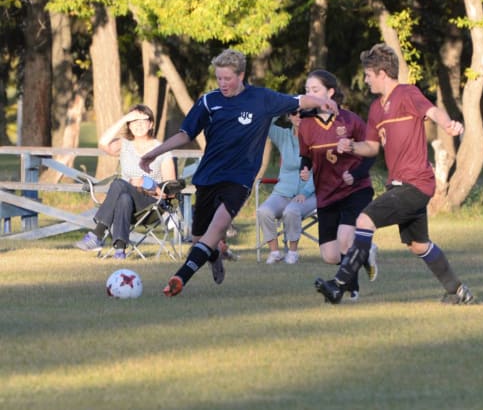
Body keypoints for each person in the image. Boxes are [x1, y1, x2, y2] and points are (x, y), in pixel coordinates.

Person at [139, 48, 339, 297]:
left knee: (219, 225)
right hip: (208, 176)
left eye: (228, 78)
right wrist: (155, 152)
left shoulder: (262, 99)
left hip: (239, 178)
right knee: (200, 238)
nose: (222, 83)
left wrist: (322, 102)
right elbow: (185, 134)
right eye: (219, 78)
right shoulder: (209, 101)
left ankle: (180, 278)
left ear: (241, 76)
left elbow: (300, 101)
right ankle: (213, 255)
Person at [315, 43, 474, 305]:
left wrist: (448, 124)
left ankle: (339, 285)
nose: (365, 79)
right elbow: (373, 147)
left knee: (364, 221)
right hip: (398, 186)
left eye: (368, 74)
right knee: (418, 245)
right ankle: (457, 290)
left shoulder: (407, 93)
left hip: (415, 184)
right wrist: (352, 146)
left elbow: (432, 111)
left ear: (382, 73)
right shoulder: (377, 108)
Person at [299, 69, 378, 301]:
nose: (310, 95)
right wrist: (305, 167)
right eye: (307, 91)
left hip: (355, 189)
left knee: (345, 239)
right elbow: (306, 155)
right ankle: (365, 253)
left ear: (330, 92)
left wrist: (355, 173)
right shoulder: (305, 125)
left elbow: (372, 152)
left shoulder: (350, 120)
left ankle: (351, 291)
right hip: (326, 193)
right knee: (330, 255)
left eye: (315, 90)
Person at [75, 104, 176, 259]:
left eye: (143, 121)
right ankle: (119, 252)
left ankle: (97, 234)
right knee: (123, 197)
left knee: (119, 184)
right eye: (134, 121)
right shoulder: (124, 145)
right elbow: (103, 143)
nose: (138, 125)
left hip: (151, 204)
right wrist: (124, 118)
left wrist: (147, 184)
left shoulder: (162, 150)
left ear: (151, 124)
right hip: (126, 203)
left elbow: (170, 191)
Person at [256, 111, 317, 265]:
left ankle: (292, 253)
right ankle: (275, 252)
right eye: (294, 113)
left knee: (292, 210)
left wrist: (305, 192)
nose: (298, 117)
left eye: (303, 114)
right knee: (263, 211)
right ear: (289, 117)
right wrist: (283, 106)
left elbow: (320, 170)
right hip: (283, 192)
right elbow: (265, 122)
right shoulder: (283, 136)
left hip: (310, 194)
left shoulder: (317, 137)